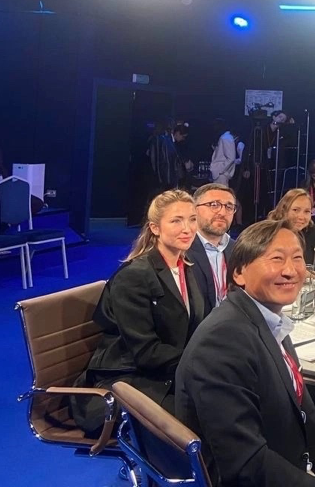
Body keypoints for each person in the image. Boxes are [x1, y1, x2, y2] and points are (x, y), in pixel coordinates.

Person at [176, 219, 315, 487]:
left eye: (297, 258)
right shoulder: (222, 341)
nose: (290, 271)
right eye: (276, 259)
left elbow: (309, 428)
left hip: (287, 460)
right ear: (239, 273)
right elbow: (243, 463)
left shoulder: (270, 321)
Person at [72, 190, 205, 435]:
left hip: (169, 372)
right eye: (176, 221)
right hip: (129, 381)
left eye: (192, 219)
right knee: (212, 418)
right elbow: (146, 353)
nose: (187, 229)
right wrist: (204, 365)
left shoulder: (185, 267)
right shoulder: (134, 277)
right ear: (155, 228)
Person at [188, 183, 237, 316]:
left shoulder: (238, 250)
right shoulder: (181, 251)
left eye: (229, 207)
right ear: (194, 209)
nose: (222, 212)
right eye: (214, 205)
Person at [209, 118, 237, 187]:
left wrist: (220, 170)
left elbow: (231, 158)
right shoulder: (224, 137)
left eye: (215, 125)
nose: (214, 128)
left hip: (221, 174)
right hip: (220, 173)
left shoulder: (226, 138)